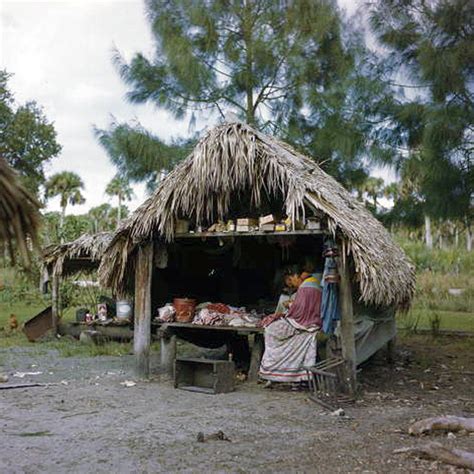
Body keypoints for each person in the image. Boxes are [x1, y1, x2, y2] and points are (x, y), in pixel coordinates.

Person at [259, 265, 322, 385]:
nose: (292, 283)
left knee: (270, 330)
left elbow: (299, 312)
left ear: (296, 276)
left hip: (303, 324)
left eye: (292, 280)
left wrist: (289, 307)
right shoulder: (316, 284)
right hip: (314, 322)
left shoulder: (304, 287)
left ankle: (274, 370)